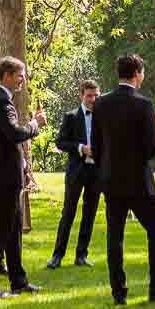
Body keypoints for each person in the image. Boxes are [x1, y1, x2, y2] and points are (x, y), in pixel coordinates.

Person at [92, 54, 155, 304]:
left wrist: (105, 169)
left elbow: (96, 145)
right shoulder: (143, 105)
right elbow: (151, 147)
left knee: (115, 236)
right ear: (137, 74)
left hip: (111, 180)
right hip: (138, 181)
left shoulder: (101, 104)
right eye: (142, 72)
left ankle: (118, 293)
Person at [0, 56, 44, 299]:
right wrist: (35, 125)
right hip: (3, 178)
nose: (23, 79)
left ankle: (18, 281)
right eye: (19, 75)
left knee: (13, 230)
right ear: (6, 76)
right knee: (1, 230)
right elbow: (15, 133)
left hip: (4, 176)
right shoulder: (1, 102)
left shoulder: (0, 100)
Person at [46, 79, 102, 269]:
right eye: (89, 95)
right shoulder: (70, 116)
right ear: (81, 95)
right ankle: (57, 255)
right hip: (76, 171)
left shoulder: (104, 117)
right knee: (68, 212)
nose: (93, 99)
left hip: (96, 172)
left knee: (90, 213)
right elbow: (60, 142)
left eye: (96, 95)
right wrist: (80, 148)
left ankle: (81, 255)